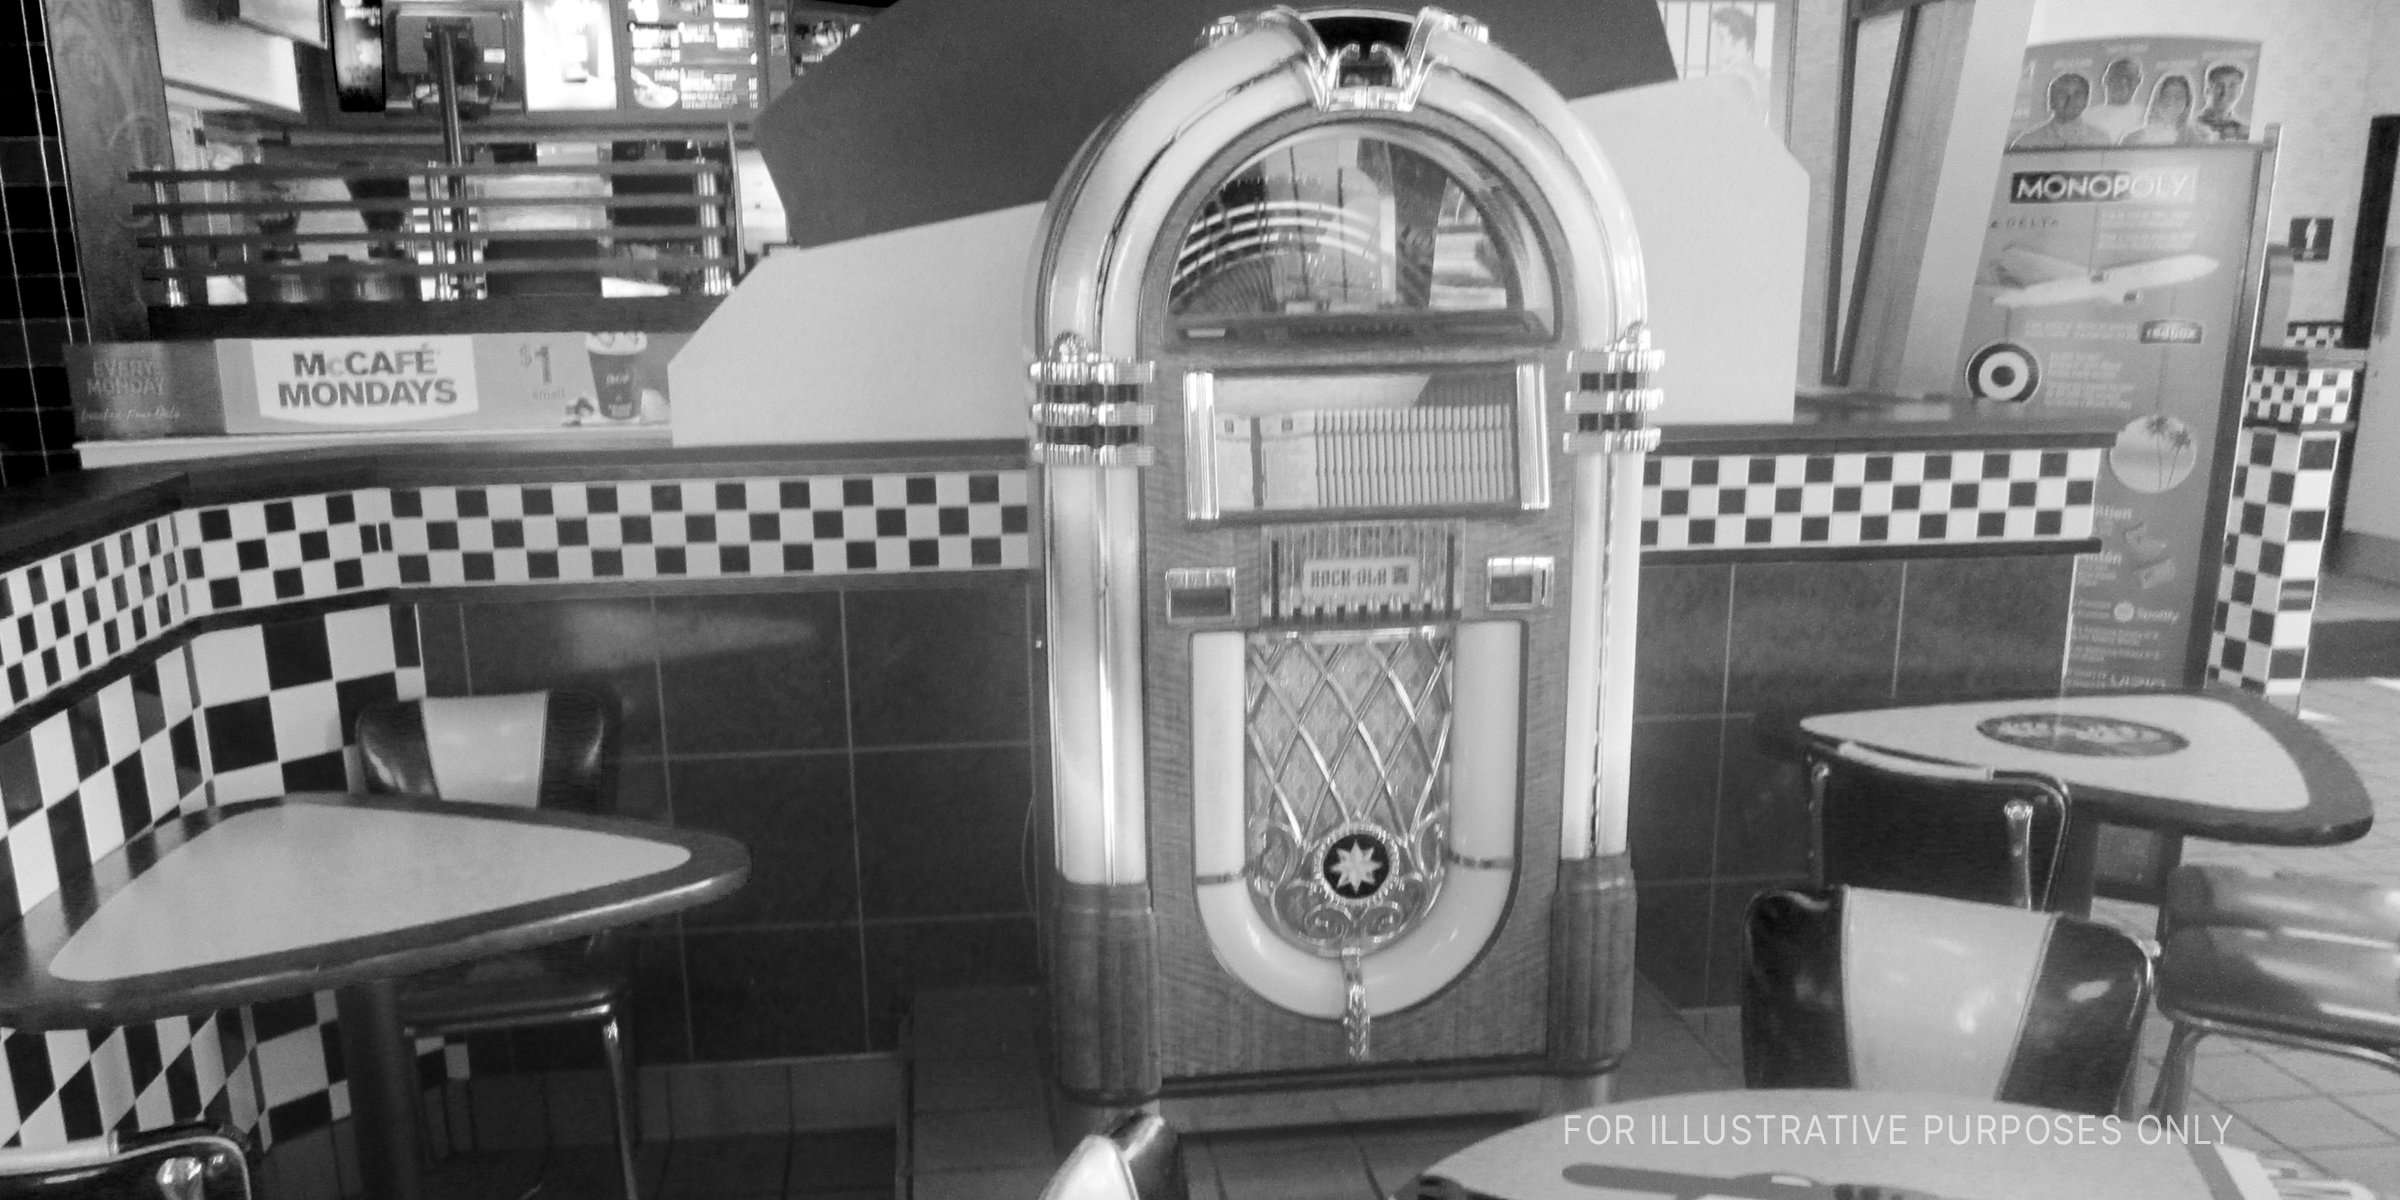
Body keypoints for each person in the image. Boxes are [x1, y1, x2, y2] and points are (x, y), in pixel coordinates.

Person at [2010, 72, 2110, 150]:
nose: (2070, 100)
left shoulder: (2101, 140)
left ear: (2086, 101)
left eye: (2077, 94)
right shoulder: (2027, 142)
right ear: (2051, 101)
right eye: (2062, 94)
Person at [2121, 74, 2201, 146]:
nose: (2171, 101)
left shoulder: (2195, 141)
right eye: (2166, 95)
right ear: (2157, 99)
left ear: (2187, 103)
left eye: (2178, 97)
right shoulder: (2132, 140)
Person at [2086, 57, 2146, 142]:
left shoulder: (2146, 116)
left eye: (2129, 78)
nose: (2122, 82)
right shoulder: (2087, 117)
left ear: (2138, 81)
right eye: (2117, 77)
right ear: (2105, 79)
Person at [2196, 63, 2251, 141]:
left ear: (2240, 91)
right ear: (2207, 89)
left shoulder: (2245, 132)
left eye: (2232, 86)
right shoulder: (2191, 127)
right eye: (2219, 85)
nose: (2225, 92)